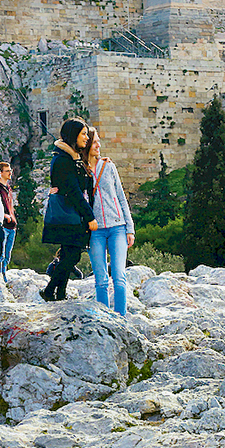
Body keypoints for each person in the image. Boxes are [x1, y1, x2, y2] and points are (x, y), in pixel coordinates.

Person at [40, 118, 98, 301]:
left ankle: (60, 293)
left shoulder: (72, 158)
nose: (86, 138)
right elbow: (73, 191)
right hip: (69, 216)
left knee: (68, 255)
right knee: (71, 256)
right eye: (83, 134)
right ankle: (50, 291)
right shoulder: (64, 160)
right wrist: (90, 216)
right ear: (73, 135)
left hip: (71, 215)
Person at [83, 127, 135, 316]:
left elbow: (121, 197)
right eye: (95, 142)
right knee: (101, 280)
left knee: (119, 278)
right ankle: (105, 320)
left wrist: (130, 228)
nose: (99, 145)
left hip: (117, 227)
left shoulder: (109, 166)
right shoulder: (81, 170)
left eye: (98, 141)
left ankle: (121, 319)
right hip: (94, 229)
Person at [0, 162, 18, 281]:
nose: (10, 172)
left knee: (7, 255)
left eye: (10, 170)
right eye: (7, 171)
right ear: (1, 173)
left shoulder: (8, 188)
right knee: (2, 254)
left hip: (12, 226)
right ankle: (1, 277)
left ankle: (4, 274)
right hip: (3, 225)